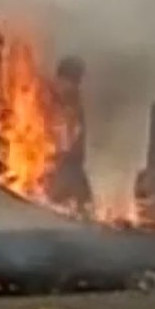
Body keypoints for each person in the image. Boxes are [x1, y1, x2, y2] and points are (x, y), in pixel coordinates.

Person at [47, 55, 93, 213]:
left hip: (71, 165)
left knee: (84, 207)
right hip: (54, 167)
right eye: (71, 81)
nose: (73, 86)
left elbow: (75, 137)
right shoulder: (43, 100)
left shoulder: (74, 102)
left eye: (76, 82)